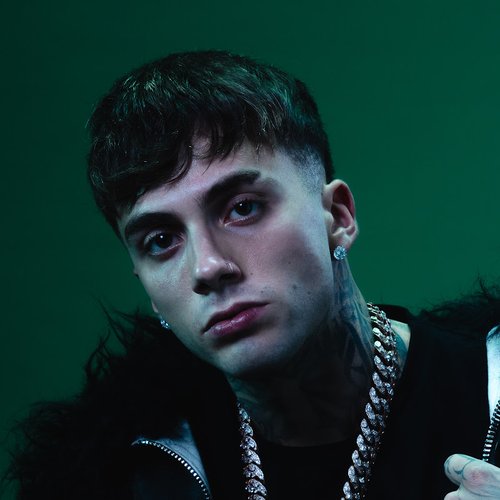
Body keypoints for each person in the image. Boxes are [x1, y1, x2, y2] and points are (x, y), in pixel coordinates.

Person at [6, 50, 500, 499]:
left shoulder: (485, 391)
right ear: (150, 292)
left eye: (242, 208)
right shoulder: (130, 478)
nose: (207, 267)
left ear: (337, 217)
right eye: (161, 241)